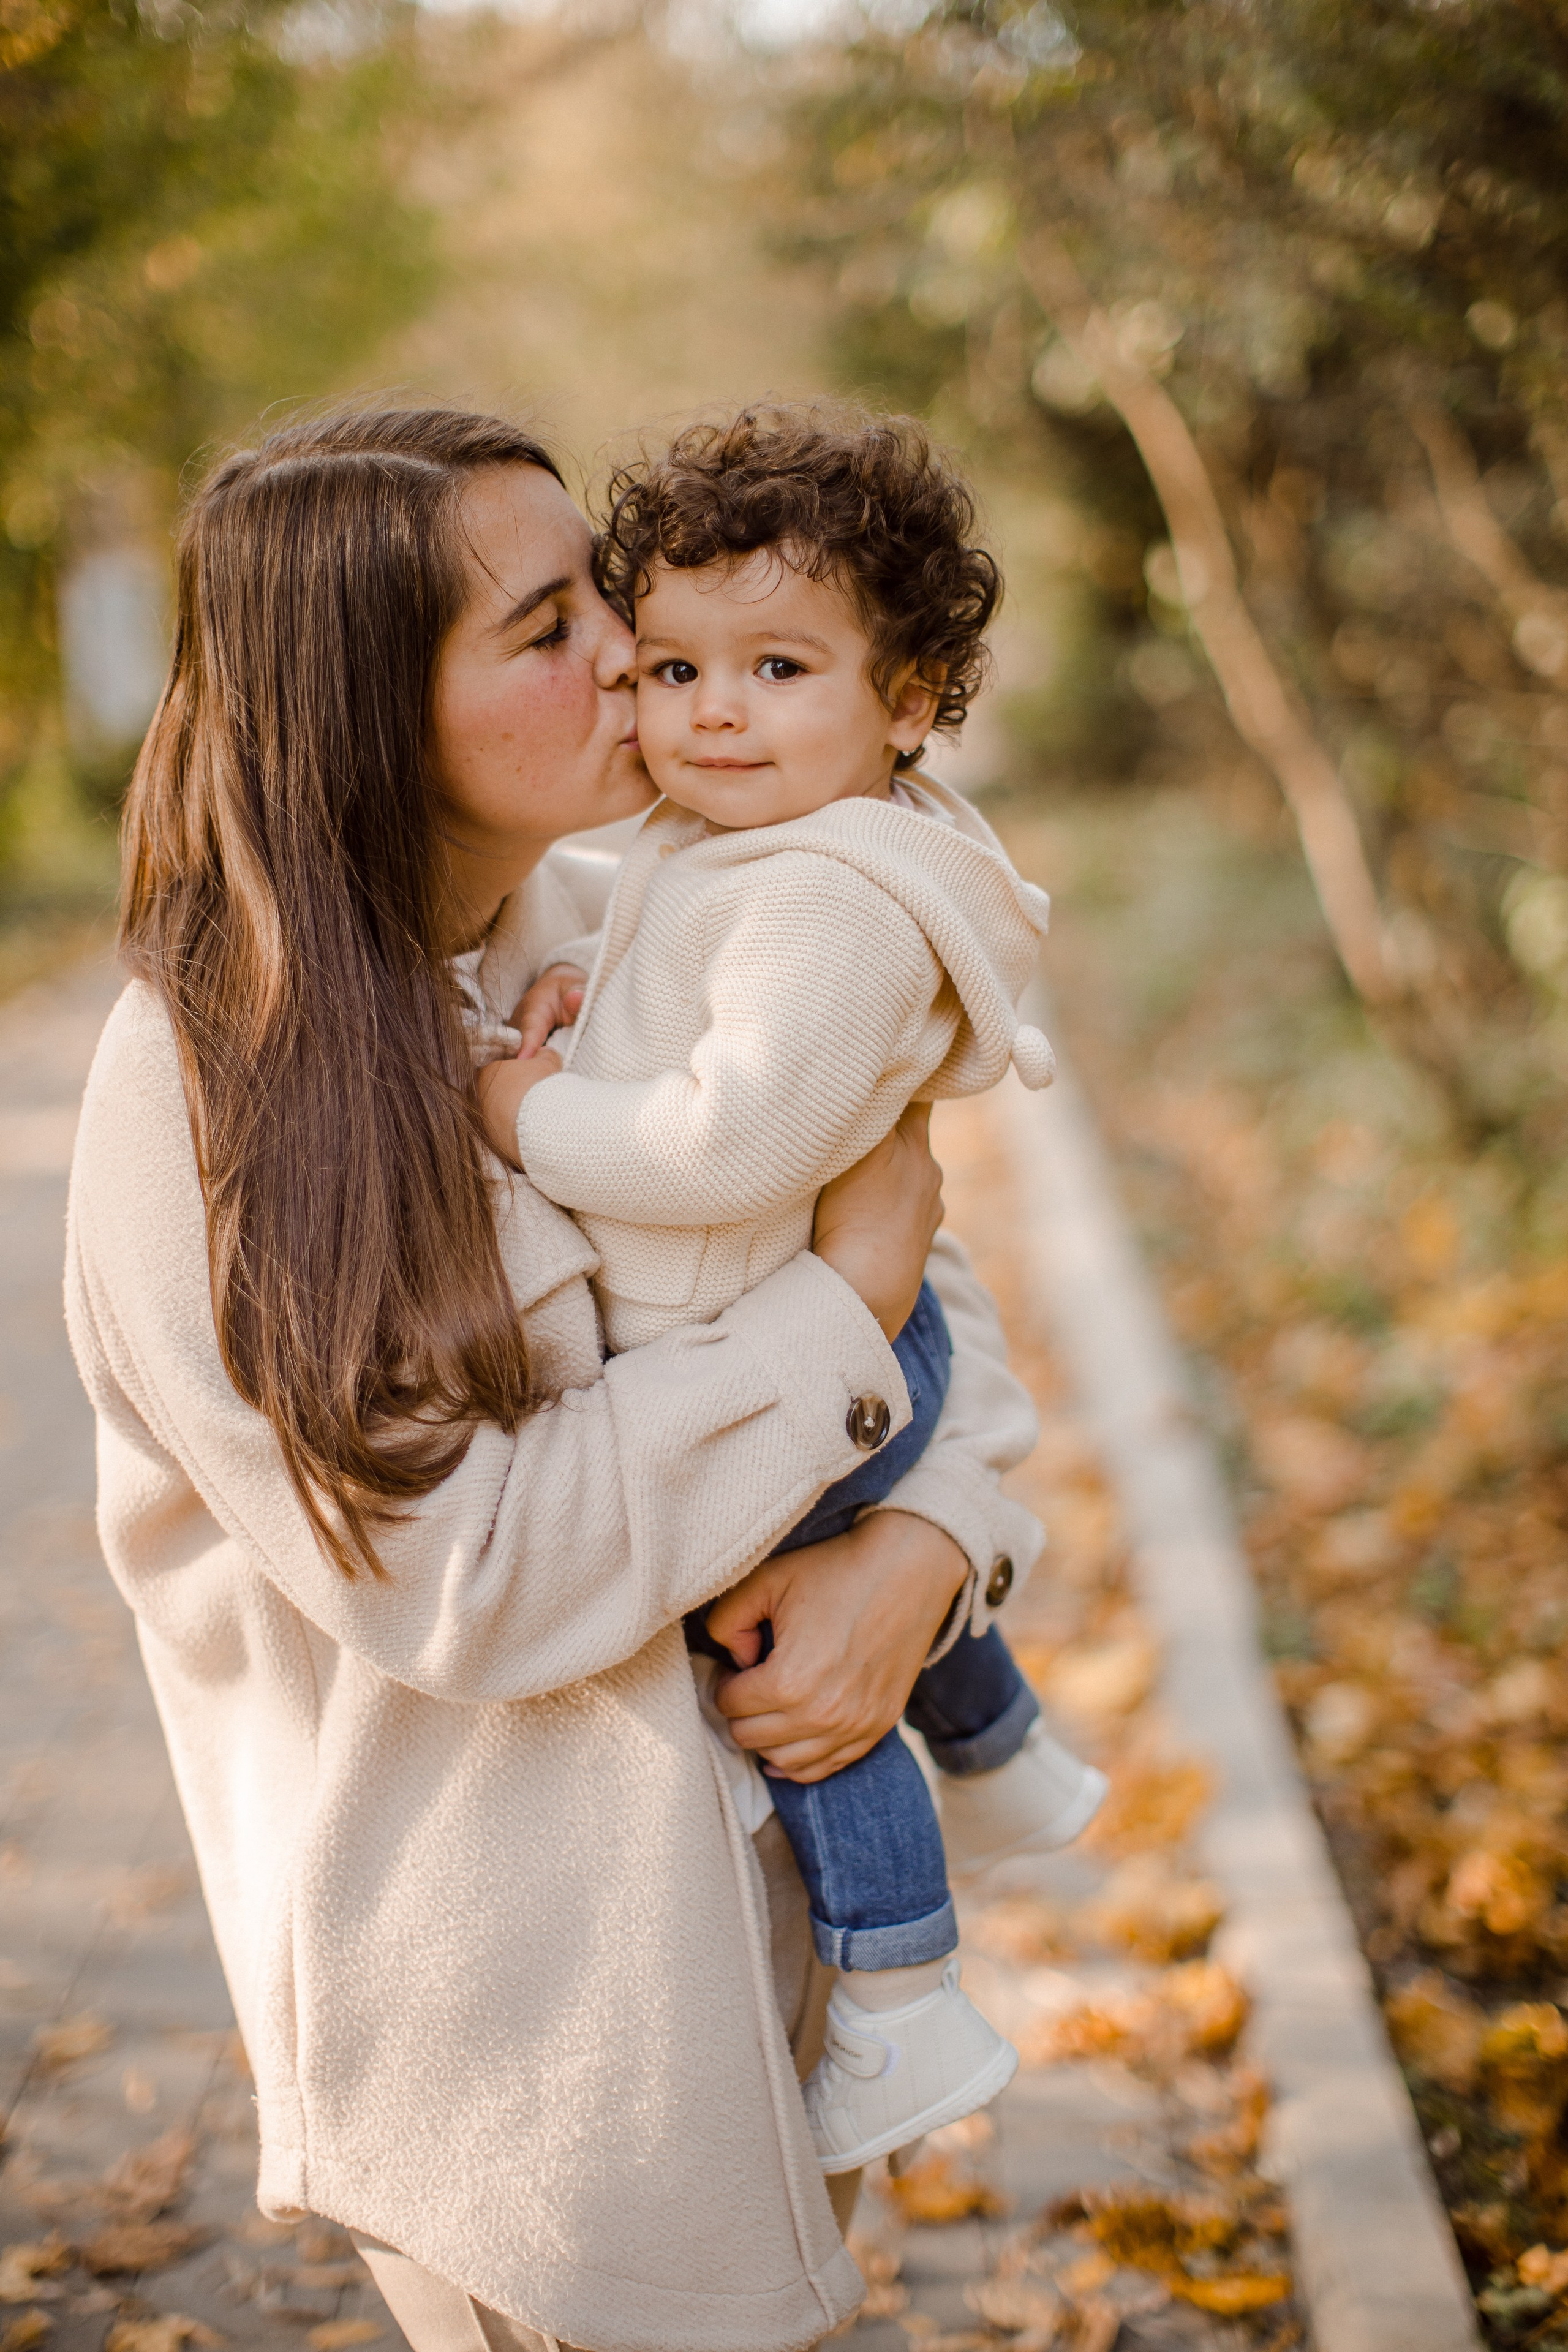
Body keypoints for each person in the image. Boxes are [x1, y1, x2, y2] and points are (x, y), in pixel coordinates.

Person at [64, 405, 1049, 2352]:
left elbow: (925, 1292)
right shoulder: (209, 1101)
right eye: (544, 628)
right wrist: (834, 1317)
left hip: (764, 1898)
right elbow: (468, 1577)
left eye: (601, 592)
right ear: (367, 714)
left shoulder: (631, 923)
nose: (629, 651)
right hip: (525, 2019)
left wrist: (923, 1554)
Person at [471, 405, 1106, 2176]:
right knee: (852, 1582)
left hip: (780, 1330)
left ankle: (901, 2006)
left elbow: (719, 1147)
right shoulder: (766, 835)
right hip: (803, 1317)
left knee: (776, 1655)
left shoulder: (834, 898)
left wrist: (526, 1110)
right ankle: (1010, 1746)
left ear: (909, 702)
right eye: (671, 666)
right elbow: (667, 950)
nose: (712, 711)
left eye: (776, 666)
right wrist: (583, 1000)